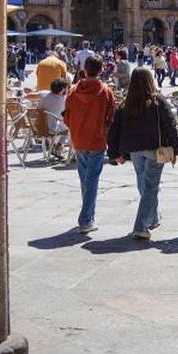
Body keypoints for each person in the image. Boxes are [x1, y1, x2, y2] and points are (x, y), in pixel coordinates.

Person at [106, 67, 178, 239]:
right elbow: (170, 124)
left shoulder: (126, 104)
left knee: (144, 183)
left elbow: (114, 130)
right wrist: (176, 148)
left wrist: (114, 153)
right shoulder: (157, 101)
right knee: (150, 187)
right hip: (155, 149)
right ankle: (141, 225)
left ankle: (153, 217)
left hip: (134, 151)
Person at [61, 55, 116, 233]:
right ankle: (85, 219)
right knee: (92, 180)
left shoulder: (74, 90)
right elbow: (111, 117)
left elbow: (67, 116)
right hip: (97, 139)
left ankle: (89, 216)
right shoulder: (105, 91)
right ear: (101, 70)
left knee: (85, 179)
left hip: (79, 139)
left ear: (85, 69)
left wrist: (76, 128)